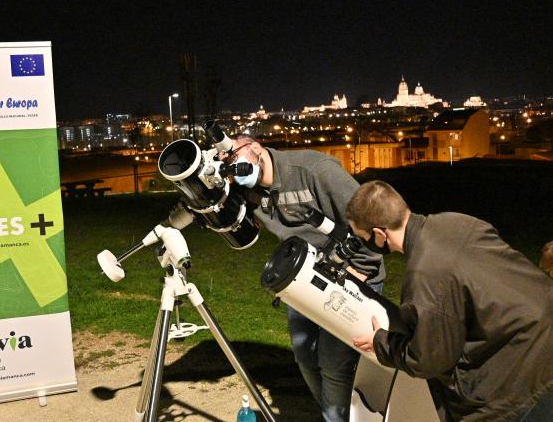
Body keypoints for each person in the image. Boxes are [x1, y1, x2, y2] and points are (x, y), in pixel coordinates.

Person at [346, 180, 553, 422]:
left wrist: (381, 342)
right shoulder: (456, 221)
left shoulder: (424, 274)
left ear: (380, 234)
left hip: (521, 376)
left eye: (364, 237)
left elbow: (429, 359)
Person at [220, 135, 385, 422]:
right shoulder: (250, 192)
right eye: (226, 164)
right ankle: (336, 414)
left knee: (334, 365)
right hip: (304, 277)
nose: (232, 167)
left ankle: (340, 417)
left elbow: (368, 218)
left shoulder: (314, 170)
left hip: (352, 274)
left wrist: (361, 271)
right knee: (306, 360)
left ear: (256, 149)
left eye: (234, 158)